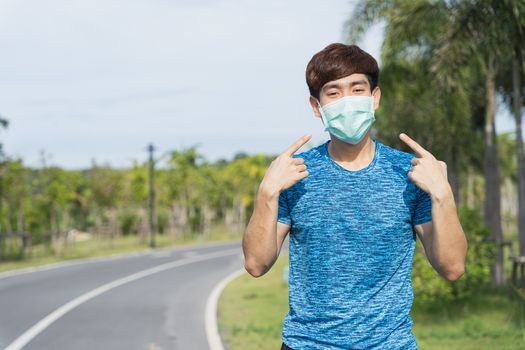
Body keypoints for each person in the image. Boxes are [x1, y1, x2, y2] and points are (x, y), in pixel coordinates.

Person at [242, 43, 468, 350]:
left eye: (357, 89)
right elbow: (256, 264)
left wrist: (443, 194)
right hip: (306, 343)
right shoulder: (293, 175)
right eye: (333, 93)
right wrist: (267, 193)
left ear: (374, 98)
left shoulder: (412, 174)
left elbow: (452, 267)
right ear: (316, 106)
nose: (346, 101)